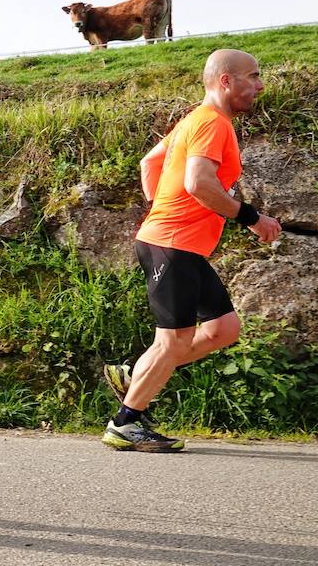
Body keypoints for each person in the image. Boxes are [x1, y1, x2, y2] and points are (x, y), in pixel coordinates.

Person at [101, 48, 281, 453]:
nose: (259, 84)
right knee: (175, 340)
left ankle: (138, 373)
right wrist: (252, 218)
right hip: (172, 245)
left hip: (178, 245)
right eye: (252, 76)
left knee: (223, 329)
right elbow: (198, 183)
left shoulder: (193, 122)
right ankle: (126, 423)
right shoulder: (212, 124)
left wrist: (158, 206)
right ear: (225, 81)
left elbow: (150, 162)